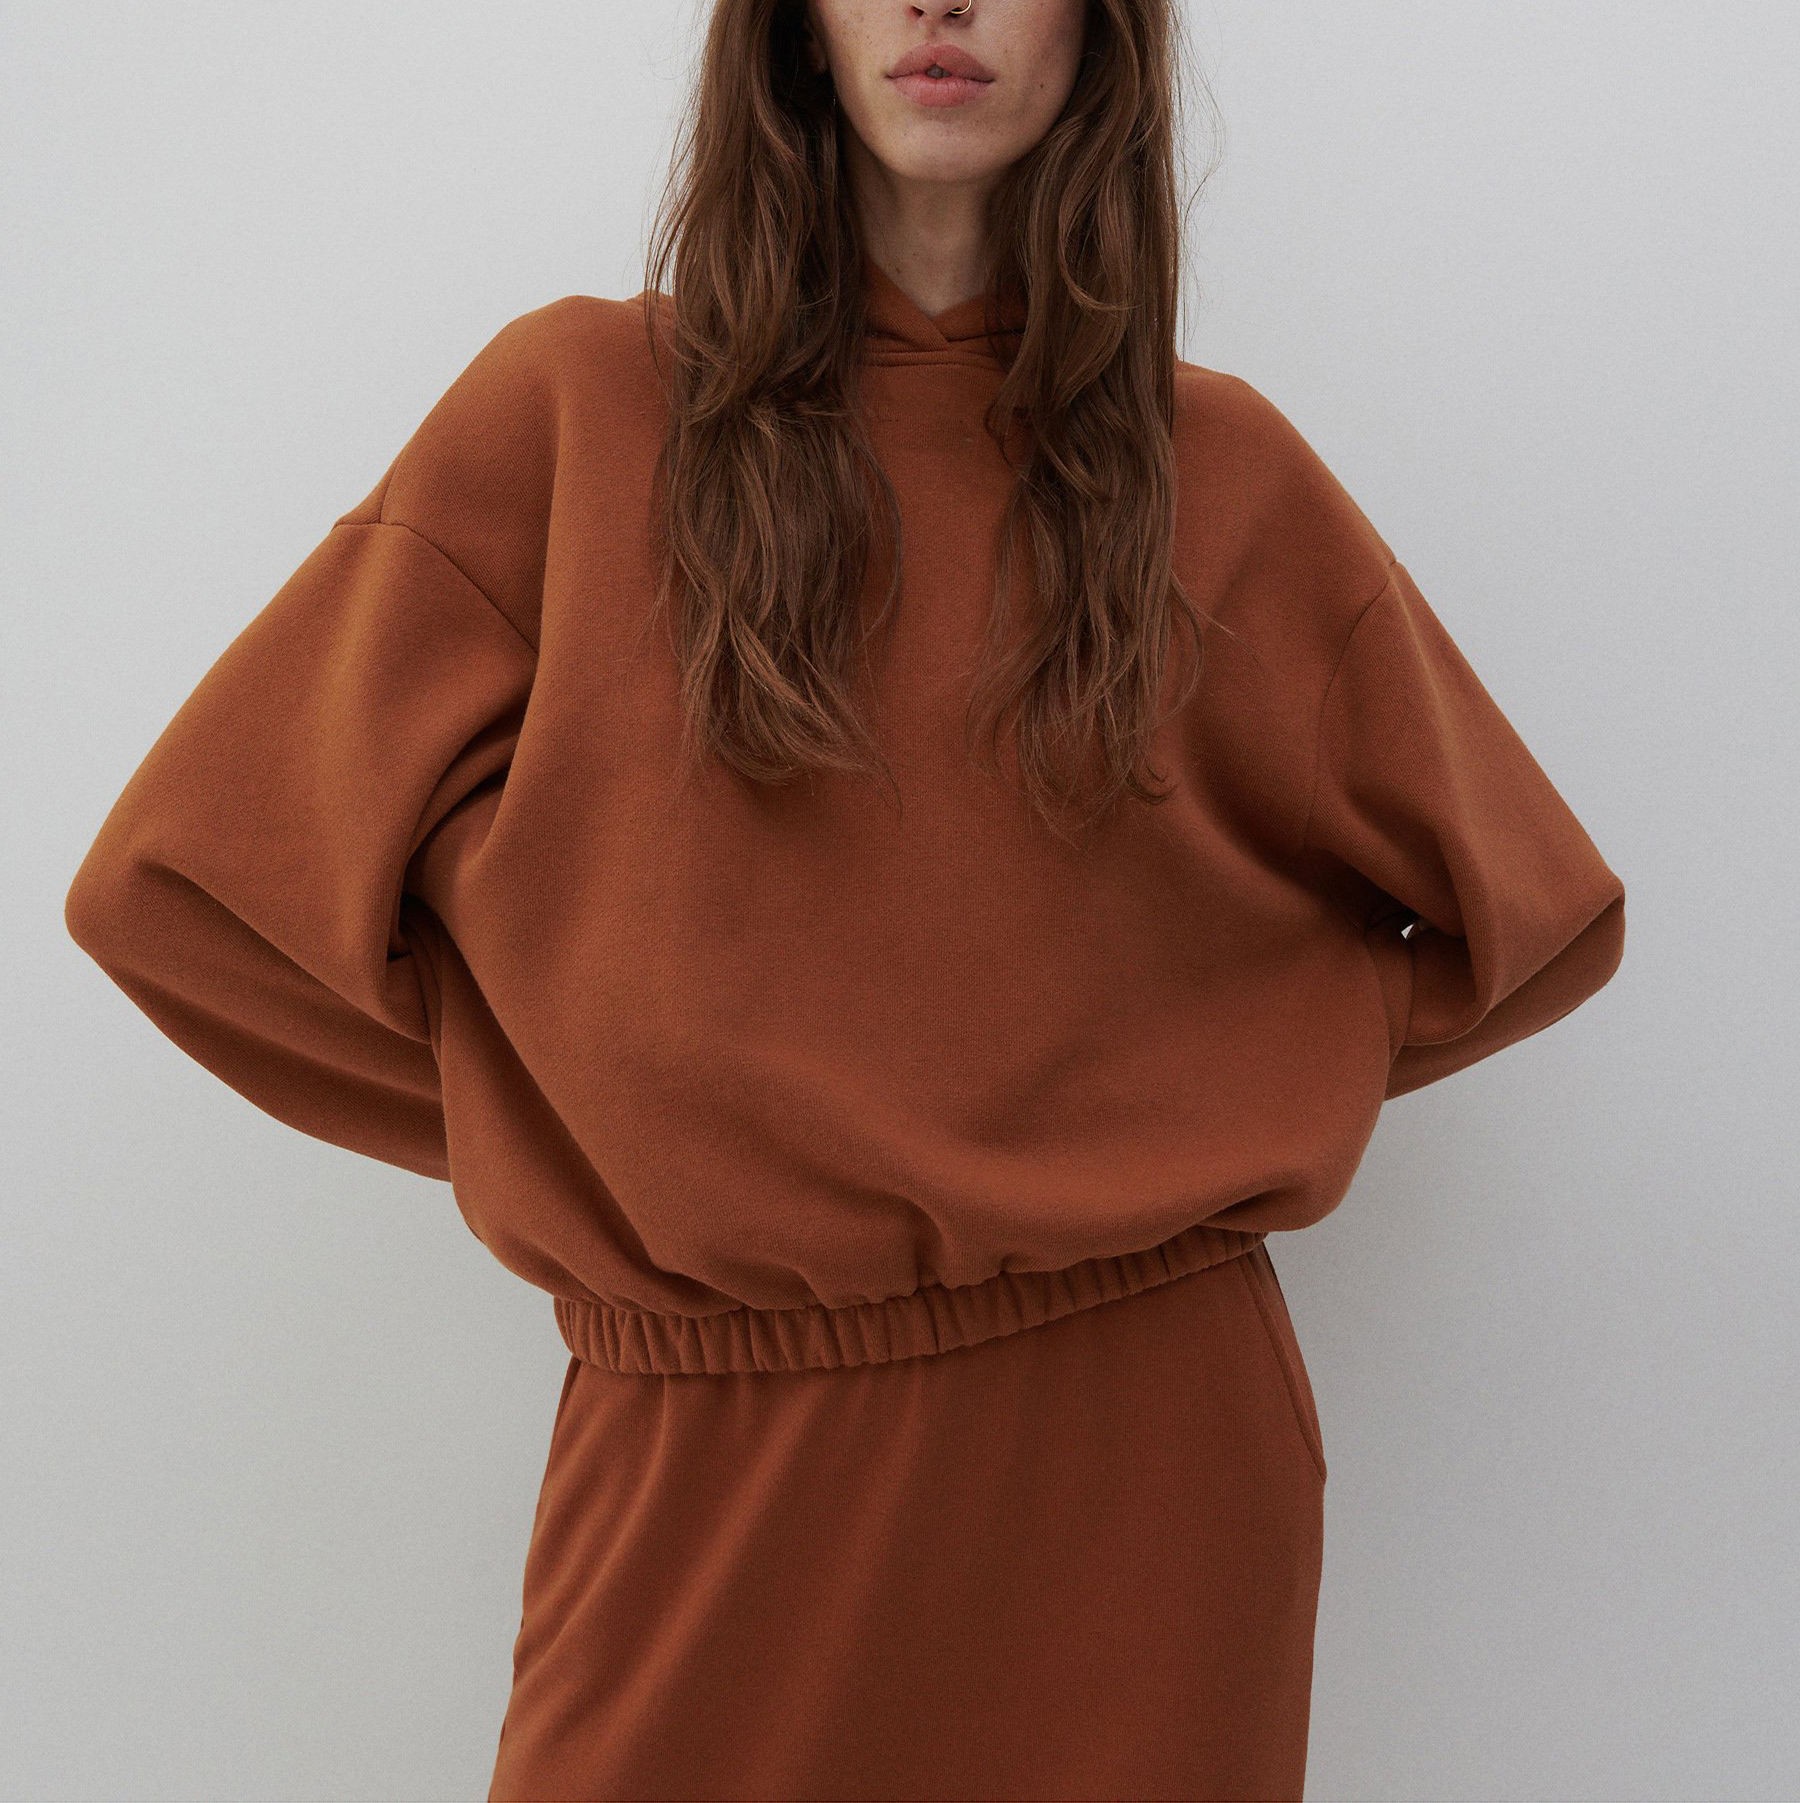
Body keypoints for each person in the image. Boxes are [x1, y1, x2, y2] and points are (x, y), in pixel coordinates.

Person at [61, 0, 1628, 1797]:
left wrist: (1225, 1071)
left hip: (1145, 1453)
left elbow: (1537, 917)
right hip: (703, 1453)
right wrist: (564, 1116)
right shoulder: (573, 411)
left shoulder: (1222, 472)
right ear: (795, 28)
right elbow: (179, 894)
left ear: (1100, 37)